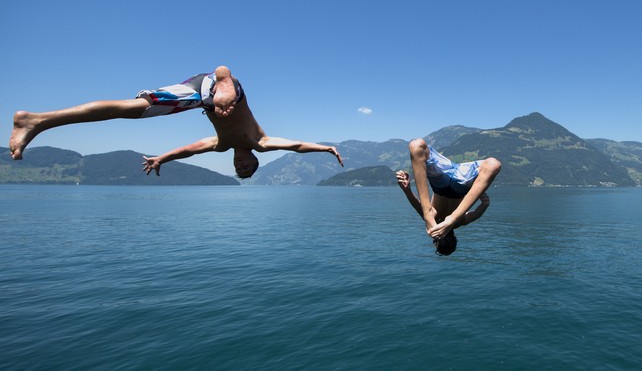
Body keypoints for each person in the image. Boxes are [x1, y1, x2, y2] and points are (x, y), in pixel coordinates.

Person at [9, 66, 343, 178]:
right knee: (225, 83)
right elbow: (297, 146)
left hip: (196, 94)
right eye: (247, 168)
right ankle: (225, 77)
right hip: (225, 89)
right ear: (255, 160)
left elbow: (189, 149)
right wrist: (326, 148)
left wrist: (161, 158)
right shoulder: (261, 142)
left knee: (133, 109)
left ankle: (38, 120)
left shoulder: (220, 144)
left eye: (238, 170)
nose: (241, 165)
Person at [395, 139, 501, 255]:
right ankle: (450, 216)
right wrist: (483, 205)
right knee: (493, 164)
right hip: (461, 183)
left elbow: (416, 204)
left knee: (416, 145)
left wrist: (407, 189)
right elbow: (475, 215)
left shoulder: (433, 222)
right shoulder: (459, 222)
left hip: (440, 180)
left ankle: (428, 211)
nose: (443, 237)